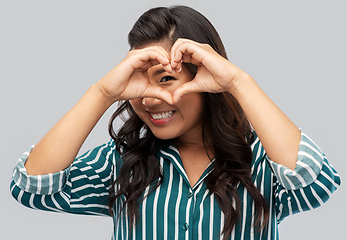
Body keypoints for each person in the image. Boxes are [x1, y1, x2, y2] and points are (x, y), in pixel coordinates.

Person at [10, 5, 340, 240]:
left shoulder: (262, 162)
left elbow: (316, 181)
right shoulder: (121, 161)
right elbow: (32, 187)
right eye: (138, 82)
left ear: (207, 77)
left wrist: (238, 82)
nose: (149, 99)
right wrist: (102, 92)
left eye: (166, 78)